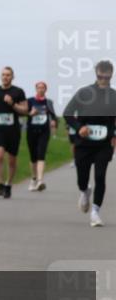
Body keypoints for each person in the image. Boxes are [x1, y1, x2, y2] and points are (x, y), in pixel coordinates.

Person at [63, 59, 116, 228]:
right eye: (101, 77)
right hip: (84, 143)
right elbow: (68, 113)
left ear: (111, 76)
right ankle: (85, 191)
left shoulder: (114, 96)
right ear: (96, 74)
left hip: (104, 143)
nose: (104, 81)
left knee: (100, 176)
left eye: (107, 78)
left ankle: (95, 212)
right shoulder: (84, 93)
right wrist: (79, 127)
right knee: (82, 179)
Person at [0, 67, 28, 199]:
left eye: (8, 75)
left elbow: (25, 110)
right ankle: (0, 183)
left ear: (12, 77)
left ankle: (8, 184)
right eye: (3, 75)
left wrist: (12, 104)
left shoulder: (18, 91)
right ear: (0, 76)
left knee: (12, 160)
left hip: (13, 130)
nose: (5, 77)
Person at [26, 81, 58, 191]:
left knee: (41, 154)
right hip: (31, 131)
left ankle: (40, 181)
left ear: (45, 89)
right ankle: (33, 178)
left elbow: (54, 116)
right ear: (36, 89)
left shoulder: (48, 102)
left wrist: (54, 122)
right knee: (33, 157)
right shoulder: (30, 101)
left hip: (44, 132)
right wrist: (31, 113)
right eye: (39, 87)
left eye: (43, 88)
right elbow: (24, 112)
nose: (41, 89)